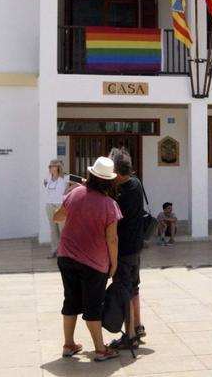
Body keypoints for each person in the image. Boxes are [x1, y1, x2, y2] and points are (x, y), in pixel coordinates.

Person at [52, 156, 121, 362]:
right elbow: (112, 239)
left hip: (66, 256)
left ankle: (68, 344)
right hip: (93, 261)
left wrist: (76, 197)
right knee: (93, 305)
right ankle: (100, 349)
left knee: (71, 300)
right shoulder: (110, 204)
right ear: (109, 181)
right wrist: (114, 264)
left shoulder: (75, 193)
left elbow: (57, 216)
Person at [107, 147, 147, 350]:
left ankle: (130, 335)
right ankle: (138, 326)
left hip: (123, 250)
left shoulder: (119, 194)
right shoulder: (136, 183)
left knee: (124, 290)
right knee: (133, 287)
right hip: (136, 246)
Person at [43, 159, 78, 258]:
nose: (50, 168)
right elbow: (45, 184)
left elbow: (81, 182)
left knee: (62, 229)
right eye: (49, 166)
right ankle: (54, 251)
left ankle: (64, 252)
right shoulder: (48, 178)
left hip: (60, 205)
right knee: (53, 229)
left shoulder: (65, 177)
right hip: (49, 205)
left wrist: (68, 189)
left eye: (52, 166)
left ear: (57, 167)